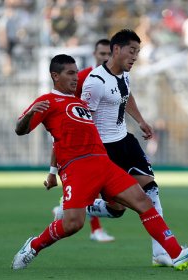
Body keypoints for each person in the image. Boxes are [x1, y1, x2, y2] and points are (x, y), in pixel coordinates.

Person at [11, 54, 188, 271]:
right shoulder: (47, 102)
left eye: (76, 73)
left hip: (104, 164)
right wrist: (30, 114)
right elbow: (20, 130)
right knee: (72, 224)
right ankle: (33, 245)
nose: (75, 78)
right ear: (55, 76)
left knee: (143, 201)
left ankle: (176, 253)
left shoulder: (80, 101)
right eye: (70, 73)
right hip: (77, 168)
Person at [50, 29, 173, 267]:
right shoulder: (93, 82)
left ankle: (161, 252)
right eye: (132, 50)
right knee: (117, 209)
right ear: (114, 51)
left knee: (151, 191)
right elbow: (83, 119)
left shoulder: (124, 74)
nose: (136, 56)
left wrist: (141, 121)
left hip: (125, 142)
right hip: (104, 149)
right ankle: (77, 208)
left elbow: (126, 96)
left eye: (138, 51)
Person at [50, 38, 114, 243]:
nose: (105, 58)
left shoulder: (116, 78)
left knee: (108, 192)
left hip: (109, 138)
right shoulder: (83, 77)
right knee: (92, 185)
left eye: (108, 54)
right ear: (95, 55)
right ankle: (95, 228)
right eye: (102, 54)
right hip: (84, 142)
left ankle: (69, 208)